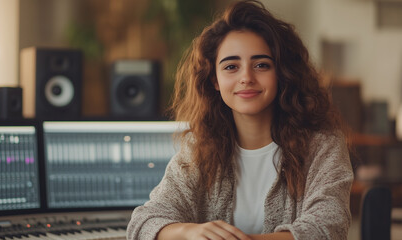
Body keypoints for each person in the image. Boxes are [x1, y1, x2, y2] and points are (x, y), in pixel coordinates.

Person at [127, 0, 354, 239]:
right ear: (214, 79)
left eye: (261, 65)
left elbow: (328, 227)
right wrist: (190, 232)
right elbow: (142, 223)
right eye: (231, 66)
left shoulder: (322, 145)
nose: (246, 77)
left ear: (282, 73)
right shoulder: (198, 148)